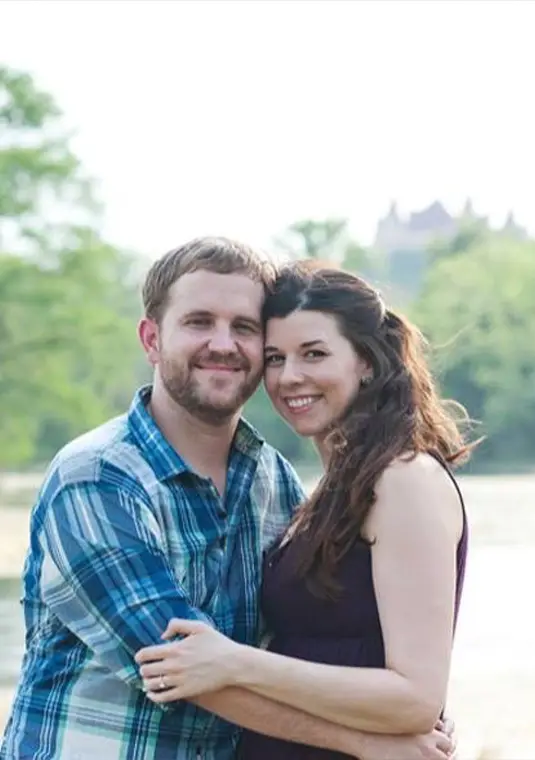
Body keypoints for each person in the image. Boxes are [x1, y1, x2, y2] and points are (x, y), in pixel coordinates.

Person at [0, 239, 455, 760]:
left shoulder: (272, 480)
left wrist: (401, 709)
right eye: (198, 322)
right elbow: (182, 669)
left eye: (244, 328)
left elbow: (287, 644)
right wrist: (370, 741)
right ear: (151, 339)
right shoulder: (97, 478)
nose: (223, 344)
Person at [134, 262, 476, 759]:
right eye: (275, 358)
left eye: (313, 354)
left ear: (366, 361)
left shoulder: (404, 480)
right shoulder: (325, 492)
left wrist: (235, 662)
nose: (290, 377)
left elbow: (416, 700)